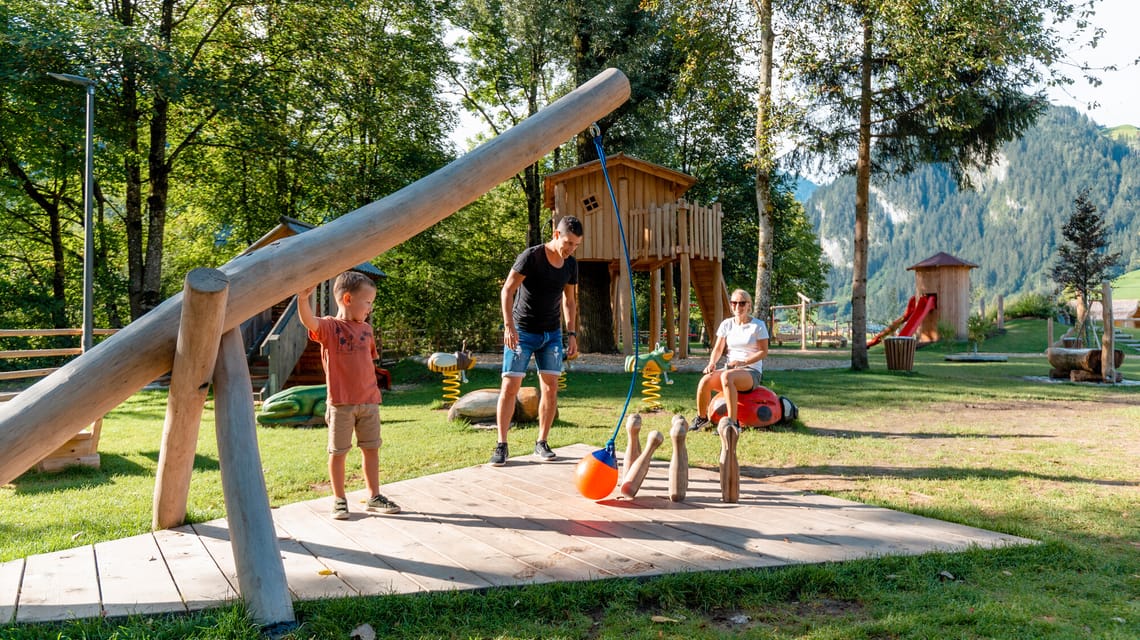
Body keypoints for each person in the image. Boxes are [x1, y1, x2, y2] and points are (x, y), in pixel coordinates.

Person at [297, 271, 400, 520]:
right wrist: (303, 300)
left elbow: (368, 362)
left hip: (369, 402)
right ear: (347, 299)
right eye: (367, 302)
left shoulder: (366, 329)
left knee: (371, 449)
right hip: (341, 405)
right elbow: (309, 321)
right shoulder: (331, 328)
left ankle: (374, 496)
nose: (370, 308)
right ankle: (339, 499)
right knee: (338, 452)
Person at [490, 216, 583, 466]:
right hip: (522, 331)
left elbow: (569, 301)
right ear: (556, 234)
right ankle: (501, 444)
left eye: (576, 245)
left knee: (551, 388)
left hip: (551, 334)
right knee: (510, 386)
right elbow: (507, 290)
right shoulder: (531, 257)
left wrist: (571, 334)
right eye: (568, 242)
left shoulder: (570, 264)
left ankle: (541, 443)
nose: (571, 249)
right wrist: (509, 326)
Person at [690, 289, 769, 431]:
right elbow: (718, 348)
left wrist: (743, 362)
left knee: (727, 376)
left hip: (751, 371)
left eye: (742, 303)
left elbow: (764, 352)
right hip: (730, 369)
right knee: (705, 380)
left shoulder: (758, 325)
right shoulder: (727, 324)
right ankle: (702, 418)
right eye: (734, 303)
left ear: (749, 305)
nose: (737, 307)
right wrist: (712, 363)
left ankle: (732, 424)